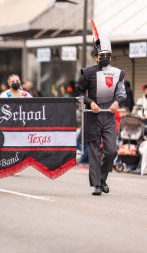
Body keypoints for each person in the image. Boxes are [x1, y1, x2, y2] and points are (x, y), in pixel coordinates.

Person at [75, 19, 126, 196]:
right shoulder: (87, 73)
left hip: (109, 116)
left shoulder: (118, 73)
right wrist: (91, 103)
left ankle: (103, 178)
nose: (104, 58)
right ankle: (97, 184)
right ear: (96, 56)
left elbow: (122, 93)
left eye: (107, 55)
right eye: (101, 55)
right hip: (92, 115)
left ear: (110, 56)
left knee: (111, 151)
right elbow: (79, 94)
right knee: (95, 151)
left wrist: (117, 103)